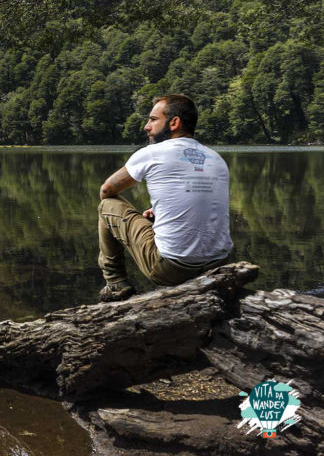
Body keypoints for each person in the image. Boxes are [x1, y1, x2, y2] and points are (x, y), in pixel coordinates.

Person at [96, 94, 233, 302]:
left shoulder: (152, 152)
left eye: (153, 119)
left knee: (107, 205)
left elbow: (106, 191)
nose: (146, 126)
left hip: (172, 269)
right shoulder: (215, 157)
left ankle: (115, 283)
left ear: (174, 122)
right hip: (219, 264)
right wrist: (159, 215)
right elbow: (199, 201)